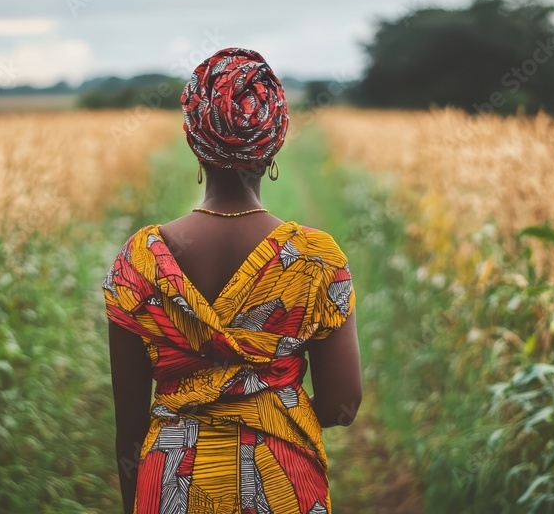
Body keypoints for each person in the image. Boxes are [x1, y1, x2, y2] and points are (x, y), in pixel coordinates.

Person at [103, 47, 361, 514]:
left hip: (171, 486)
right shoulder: (317, 258)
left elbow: (129, 426)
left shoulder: (138, 261)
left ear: (195, 144)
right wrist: (271, 409)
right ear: (274, 146)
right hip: (285, 483)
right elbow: (344, 402)